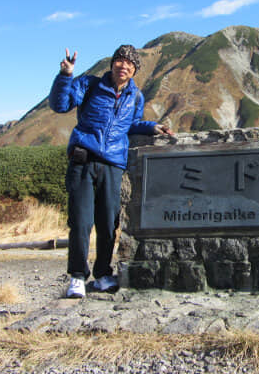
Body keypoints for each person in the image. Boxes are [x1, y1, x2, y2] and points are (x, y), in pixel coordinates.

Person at [49, 45, 174, 298]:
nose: (124, 66)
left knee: (108, 224)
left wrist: (152, 127)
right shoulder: (90, 85)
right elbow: (60, 105)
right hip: (83, 161)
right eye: (120, 61)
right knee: (81, 222)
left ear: (135, 69)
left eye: (130, 64)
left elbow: (131, 124)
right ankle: (76, 276)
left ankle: (104, 274)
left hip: (113, 165)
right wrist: (65, 76)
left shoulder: (135, 97)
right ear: (112, 64)